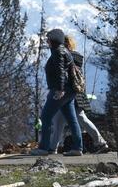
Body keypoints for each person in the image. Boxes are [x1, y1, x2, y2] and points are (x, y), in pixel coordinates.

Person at [49, 35, 108, 154]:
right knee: (61, 119)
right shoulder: (76, 56)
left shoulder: (65, 56)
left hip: (70, 93)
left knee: (74, 118)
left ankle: (100, 142)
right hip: (77, 93)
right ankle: (52, 147)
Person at [31, 28, 83, 156]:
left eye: (48, 39)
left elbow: (61, 72)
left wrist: (60, 90)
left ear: (53, 40)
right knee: (72, 120)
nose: (46, 41)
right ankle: (77, 148)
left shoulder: (58, 52)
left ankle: (44, 148)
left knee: (46, 117)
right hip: (70, 91)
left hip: (60, 91)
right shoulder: (63, 50)